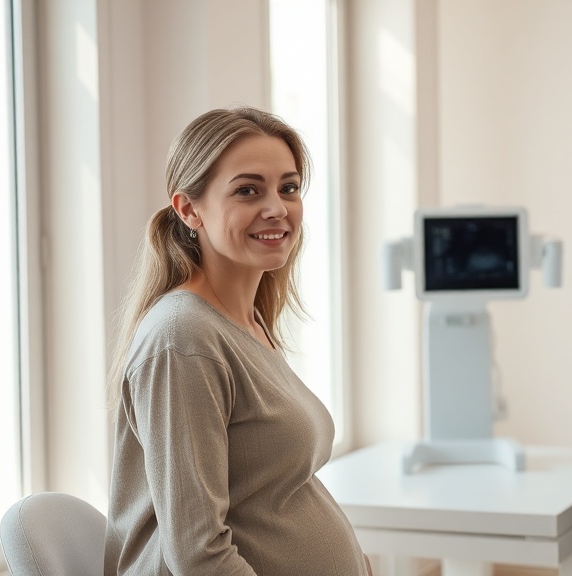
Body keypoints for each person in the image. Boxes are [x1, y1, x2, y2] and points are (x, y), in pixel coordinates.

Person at [104, 107, 371, 575]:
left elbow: (272, 495)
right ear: (189, 209)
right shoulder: (183, 338)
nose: (277, 207)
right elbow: (198, 553)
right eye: (248, 190)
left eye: (288, 188)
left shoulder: (246, 321)